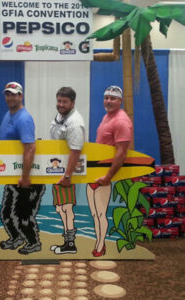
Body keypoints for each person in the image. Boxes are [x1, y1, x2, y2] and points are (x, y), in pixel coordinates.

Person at [0, 82, 46, 255]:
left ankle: (33, 243)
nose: (10, 97)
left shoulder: (24, 118)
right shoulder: (8, 115)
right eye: (8, 94)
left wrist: (25, 177)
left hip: (27, 179)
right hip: (11, 176)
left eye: (14, 94)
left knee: (22, 216)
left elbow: (30, 148)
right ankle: (16, 238)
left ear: (21, 96)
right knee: (6, 215)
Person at [87, 85, 133, 257]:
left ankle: (101, 246)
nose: (108, 101)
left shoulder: (121, 121)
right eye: (106, 97)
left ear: (120, 101)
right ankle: (99, 242)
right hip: (95, 173)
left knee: (100, 214)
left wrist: (108, 177)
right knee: (94, 213)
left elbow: (121, 153)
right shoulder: (108, 116)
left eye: (113, 98)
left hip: (106, 176)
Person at [50, 87, 86, 254]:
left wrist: (67, 176)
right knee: (60, 208)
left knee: (67, 208)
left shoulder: (75, 122)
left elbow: (75, 151)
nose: (61, 104)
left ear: (73, 102)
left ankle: (70, 244)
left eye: (65, 102)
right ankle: (66, 241)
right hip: (57, 172)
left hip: (68, 174)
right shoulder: (60, 117)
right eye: (59, 101)